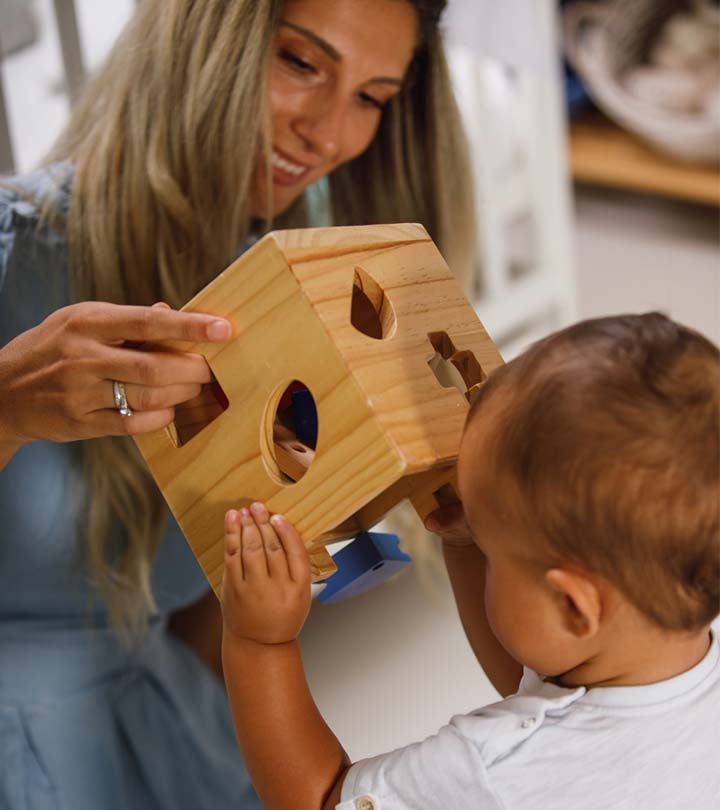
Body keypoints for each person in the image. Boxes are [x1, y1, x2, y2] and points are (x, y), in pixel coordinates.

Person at [0, 1, 474, 807]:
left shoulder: (275, 290)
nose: (327, 134)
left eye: (371, 97)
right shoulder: (16, 259)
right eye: (300, 63)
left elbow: (198, 601)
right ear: (200, 37)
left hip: (164, 719)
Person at [220, 312, 720, 810]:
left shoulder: (494, 770)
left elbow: (318, 800)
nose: (475, 538)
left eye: (488, 543)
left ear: (573, 607)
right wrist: (465, 547)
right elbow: (551, 682)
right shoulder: (661, 655)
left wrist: (261, 643)